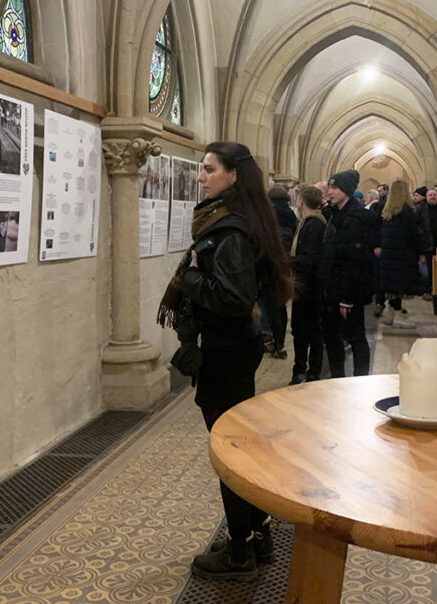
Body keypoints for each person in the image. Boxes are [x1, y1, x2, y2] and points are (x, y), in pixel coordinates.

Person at [156, 141, 293, 581]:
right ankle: (257, 538)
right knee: (238, 448)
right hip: (231, 348)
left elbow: (231, 300)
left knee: (230, 454)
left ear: (233, 175)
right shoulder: (233, 222)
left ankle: (239, 554)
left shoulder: (231, 232)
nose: (201, 177)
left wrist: (193, 275)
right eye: (202, 169)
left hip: (226, 351)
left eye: (209, 169)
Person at [319, 169, 376, 377]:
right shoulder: (337, 214)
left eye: (335, 188)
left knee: (355, 337)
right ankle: (337, 380)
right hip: (333, 288)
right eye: (330, 187)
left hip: (347, 293)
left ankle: (360, 381)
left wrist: (347, 298)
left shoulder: (356, 219)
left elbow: (354, 260)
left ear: (347, 190)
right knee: (333, 338)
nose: (330, 191)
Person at [374, 180, 432, 322]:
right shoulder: (408, 212)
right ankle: (397, 315)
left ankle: (391, 313)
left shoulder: (385, 212)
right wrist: (422, 251)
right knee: (400, 286)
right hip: (403, 256)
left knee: (392, 286)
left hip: (388, 256)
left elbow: (378, 233)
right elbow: (414, 235)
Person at [289, 184, 326, 384]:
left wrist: (288, 262)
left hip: (310, 288)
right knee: (299, 329)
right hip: (303, 286)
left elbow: (311, 258)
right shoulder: (305, 222)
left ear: (301, 200)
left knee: (311, 331)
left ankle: (312, 372)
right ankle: (300, 368)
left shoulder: (314, 224)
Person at [264, 185, 297, 359]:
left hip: (269, 265)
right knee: (281, 306)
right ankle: (280, 342)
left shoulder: (268, 216)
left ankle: (273, 341)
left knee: (269, 306)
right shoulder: (292, 216)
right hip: (285, 266)